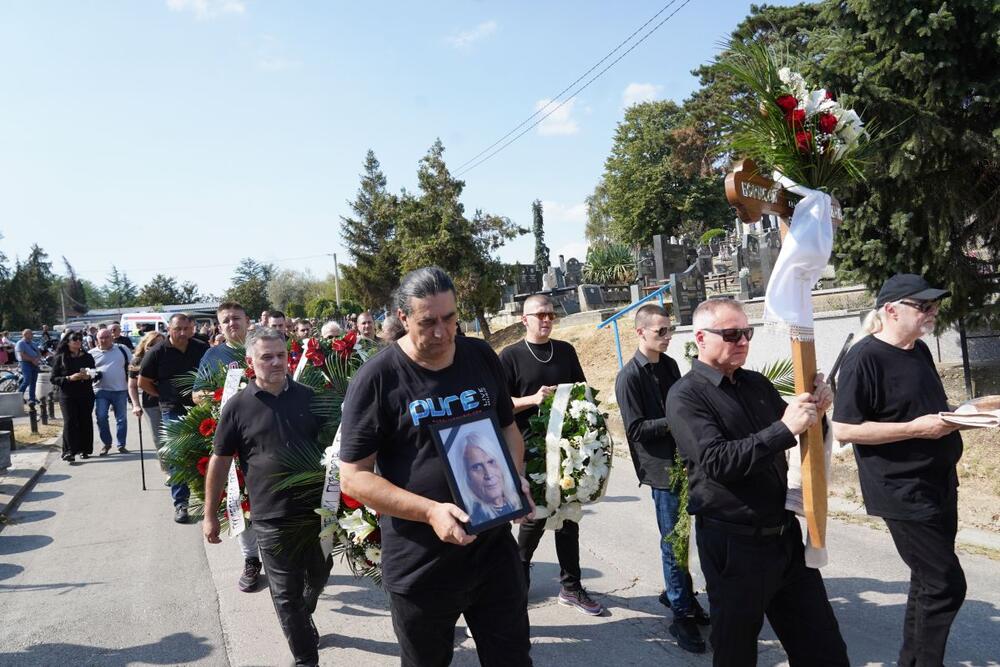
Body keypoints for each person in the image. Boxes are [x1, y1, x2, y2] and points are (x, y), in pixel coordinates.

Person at [339, 267, 534, 667]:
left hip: (494, 555)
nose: (443, 333)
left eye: (450, 318)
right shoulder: (377, 379)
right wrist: (430, 511)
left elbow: (507, 428)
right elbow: (354, 477)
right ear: (402, 317)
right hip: (421, 566)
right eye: (428, 322)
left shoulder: (479, 355)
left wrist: (515, 479)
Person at [666, 298, 848, 667]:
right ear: (701, 338)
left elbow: (793, 434)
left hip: (783, 538)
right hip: (733, 545)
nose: (743, 341)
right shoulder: (686, 395)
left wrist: (817, 412)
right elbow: (718, 461)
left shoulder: (756, 383)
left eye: (746, 333)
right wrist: (785, 427)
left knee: (823, 647)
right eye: (731, 334)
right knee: (736, 651)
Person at [832, 274, 965, 667]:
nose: (932, 313)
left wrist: (966, 415)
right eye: (923, 307)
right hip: (901, 490)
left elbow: (926, 408)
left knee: (927, 583)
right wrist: (915, 429)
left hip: (939, 481)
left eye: (934, 306)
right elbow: (844, 428)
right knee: (945, 584)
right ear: (891, 311)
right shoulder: (864, 357)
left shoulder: (918, 351)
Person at [203, 327, 331, 667]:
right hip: (271, 516)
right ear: (250, 362)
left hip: (316, 510)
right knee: (286, 594)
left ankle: (304, 617)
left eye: (281, 355)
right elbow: (220, 460)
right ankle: (306, 659)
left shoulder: (308, 396)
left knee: (318, 576)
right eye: (267, 357)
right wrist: (210, 514)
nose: (277, 363)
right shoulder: (237, 407)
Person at [498, 294, 604, 616]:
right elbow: (500, 406)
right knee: (534, 516)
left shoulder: (566, 351)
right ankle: (516, 584)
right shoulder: (510, 356)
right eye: (539, 315)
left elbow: (583, 392)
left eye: (550, 315)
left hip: (569, 448)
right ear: (524, 319)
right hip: (529, 447)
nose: (546, 320)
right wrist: (531, 400)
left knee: (569, 516)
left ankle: (571, 587)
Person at [614, 303, 707, 653]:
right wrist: (676, 420)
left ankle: (683, 596)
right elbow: (636, 429)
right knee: (674, 543)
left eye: (670, 330)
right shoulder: (629, 377)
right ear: (641, 333)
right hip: (662, 470)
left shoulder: (669, 365)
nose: (668, 337)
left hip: (686, 463)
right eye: (661, 332)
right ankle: (681, 614)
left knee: (686, 539)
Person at [191, 302, 263, 593]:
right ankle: (251, 559)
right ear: (219, 327)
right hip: (235, 438)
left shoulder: (263, 344)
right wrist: (226, 393)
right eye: (225, 320)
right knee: (239, 498)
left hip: (269, 433)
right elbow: (197, 394)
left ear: (248, 320)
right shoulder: (214, 354)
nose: (231, 323)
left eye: (236, 318)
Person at [139, 313, 209, 523]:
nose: (182, 333)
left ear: (191, 329)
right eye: (177, 329)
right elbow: (143, 382)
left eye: (186, 329)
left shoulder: (201, 348)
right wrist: (164, 395)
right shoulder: (156, 352)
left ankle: (211, 500)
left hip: (200, 408)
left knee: (206, 452)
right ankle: (181, 503)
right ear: (169, 329)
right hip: (172, 409)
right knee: (178, 455)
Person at [450, 431, 522, 525]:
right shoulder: (474, 517)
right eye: (477, 467)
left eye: (491, 462)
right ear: (466, 476)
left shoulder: (515, 502)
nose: (489, 474)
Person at [49, 332, 97, 462]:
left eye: (80, 339)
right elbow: (53, 378)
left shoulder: (87, 357)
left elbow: (96, 373)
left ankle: (85, 449)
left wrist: (89, 376)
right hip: (67, 394)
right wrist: (69, 378)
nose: (77, 341)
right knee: (70, 421)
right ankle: (69, 451)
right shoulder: (61, 358)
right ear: (67, 342)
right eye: (74, 339)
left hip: (85, 393)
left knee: (85, 421)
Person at [89, 328, 132, 456]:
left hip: (120, 389)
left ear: (112, 337)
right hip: (100, 390)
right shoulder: (91, 353)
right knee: (101, 417)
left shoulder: (122, 349)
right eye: (101, 338)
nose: (104, 340)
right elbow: (87, 371)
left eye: (107, 337)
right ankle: (106, 443)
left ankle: (121, 444)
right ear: (97, 339)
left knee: (121, 419)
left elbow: (132, 365)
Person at [128, 331, 166, 470]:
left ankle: (178, 468)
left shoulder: (168, 357)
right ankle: (167, 468)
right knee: (159, 438)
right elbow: (132, 386)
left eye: (160, 344)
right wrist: (135, 405)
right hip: (151, 405)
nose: (155, 347)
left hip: (171, 402)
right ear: (145, 345)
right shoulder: (137, 361)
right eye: (151, 345)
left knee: (174, 437)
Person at [14, 329, 42, 405]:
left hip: (34, 363)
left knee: (33, 382)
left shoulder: (33, 343)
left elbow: (38, 352)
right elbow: (22, 355)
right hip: (25, 363)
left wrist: (37, 359)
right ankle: (17, 396)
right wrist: (33, 360)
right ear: (25, 335)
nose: (32, 335)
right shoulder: (20, 343)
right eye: (30, 334)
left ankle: (32, 399)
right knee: (27, 380)